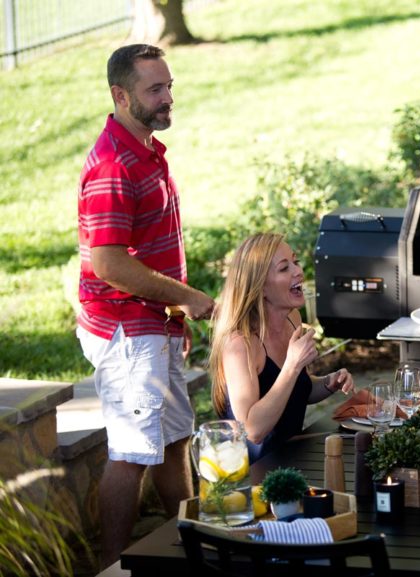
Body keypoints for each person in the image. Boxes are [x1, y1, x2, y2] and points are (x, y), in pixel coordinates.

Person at [76, 44, 215, 567]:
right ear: (120, 95)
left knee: (175, 438)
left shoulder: (146, 148)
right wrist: (186, 297)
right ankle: (114, 565)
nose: (168, 98)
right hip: (128, 332)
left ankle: (191, 546)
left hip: (153, 324)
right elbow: (109, 265)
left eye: (169, 86)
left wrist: (174, 311)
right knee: (132, 454)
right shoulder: (115, 164)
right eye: (155, 90)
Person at [208, 232, 355, 463]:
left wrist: (328, 383)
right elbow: (253, 431)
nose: (298, 271)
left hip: (293, 456)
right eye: (284, 268)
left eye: (295, 262)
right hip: (254, 473)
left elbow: (296, 389)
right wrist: (292, 365)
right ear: (261, 288)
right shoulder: (240, 344)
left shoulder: (292, 318)